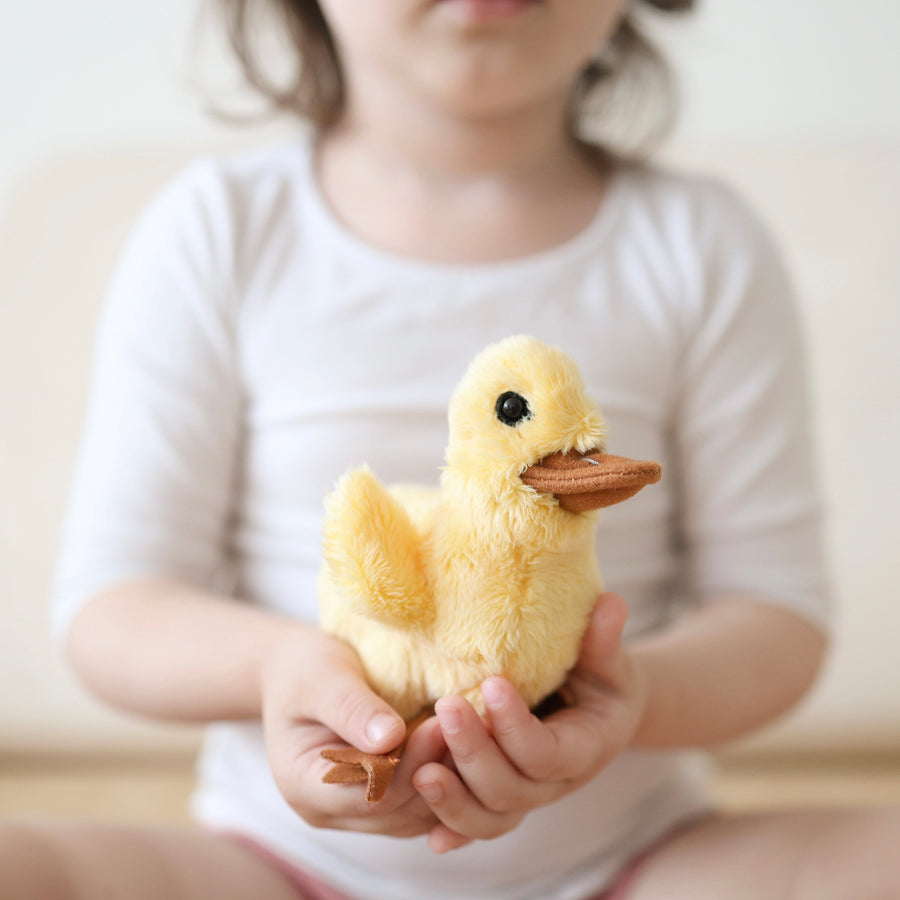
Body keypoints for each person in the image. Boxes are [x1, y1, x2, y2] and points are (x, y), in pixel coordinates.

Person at [3, 0, 899, 898]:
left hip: (638, 865)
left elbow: (776, 615)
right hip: (275, 867)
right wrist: (285, 666)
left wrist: (629, 698)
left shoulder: (703, 245)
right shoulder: (217, 233)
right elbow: (111, 609)